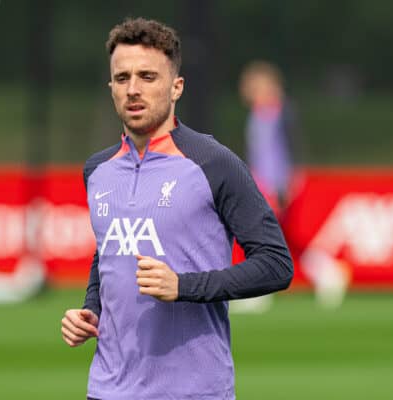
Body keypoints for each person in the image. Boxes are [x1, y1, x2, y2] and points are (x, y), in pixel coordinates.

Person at [61, 18, 293, 400]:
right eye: (122, 79)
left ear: (176, 87)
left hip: (193, 391)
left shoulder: (214, 163)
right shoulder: (97, 171)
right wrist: (90, 310)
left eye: (148, 76)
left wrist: (184, 287)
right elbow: (108, 252)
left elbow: (276, 263)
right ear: (111, 88)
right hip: (106, 389)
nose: (133, 89)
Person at [239, 61, 298, 212]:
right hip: (259, 179)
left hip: (279, 180)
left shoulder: (282, 113)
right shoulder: (255, 116)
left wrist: (291, 177)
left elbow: (291, 144)